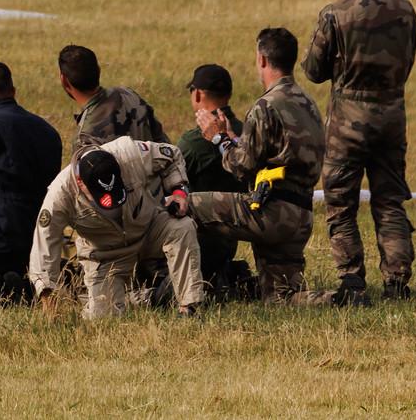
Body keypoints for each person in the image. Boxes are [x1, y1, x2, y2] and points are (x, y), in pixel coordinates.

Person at [305, 0, 416, 305]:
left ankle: (352, 281)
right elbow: (407, 63)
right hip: (391, 117)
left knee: (341, 203)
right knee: (389, 202)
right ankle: (397, 281)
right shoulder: (405, 9)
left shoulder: (335, 14)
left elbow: (314, 71)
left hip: (347, 124)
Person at [193, 27, 326, 304]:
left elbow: (241, 166)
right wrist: (234, 139)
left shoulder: (266, 106)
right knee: (279, 298)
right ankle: (336, 299)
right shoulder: (308, 103)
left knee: (187, 206)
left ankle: (191, 290)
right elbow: (275, 154)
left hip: (272, 212)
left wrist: (217, 138)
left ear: (262, 60)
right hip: (301, 214)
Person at [29, 138, 206, 319]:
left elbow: (172, 155)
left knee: (181, 226)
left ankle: (189, 308)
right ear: (81, 184)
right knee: (102, 319)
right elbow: (44, 247)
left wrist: (178, 190)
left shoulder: (130, 153)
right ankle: (144, 298)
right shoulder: (59, 195)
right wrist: (49, 302)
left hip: (148, 229)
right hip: (106, 256)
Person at [0, 60, 63, 301]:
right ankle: (24, 285)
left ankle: (9, 286)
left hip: (3, 230)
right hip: (46, 234)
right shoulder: (47, 130)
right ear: (13, 91)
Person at [178, 63, 248, 290]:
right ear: (228, 95)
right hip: (231, 241)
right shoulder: (245, 133)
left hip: (197, 247)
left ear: (197, 94)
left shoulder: (193, 143)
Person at [58, 44, 167, 155]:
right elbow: (165, 146)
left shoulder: (84, 140)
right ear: (99, 71)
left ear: (64, 80)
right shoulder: (129, 95)